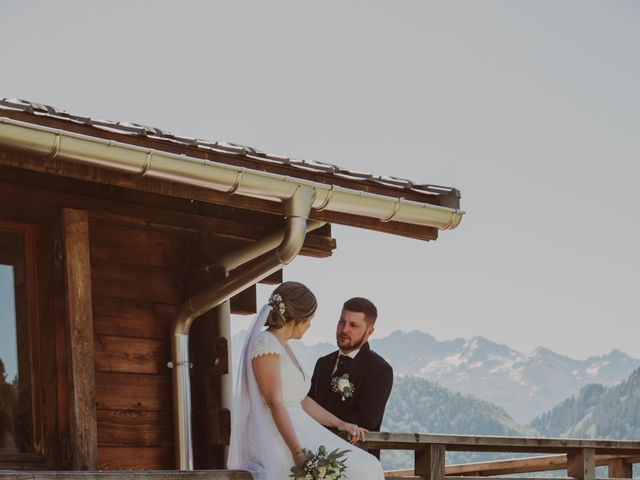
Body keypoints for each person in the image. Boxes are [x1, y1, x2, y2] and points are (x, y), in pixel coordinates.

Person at [228, 282, 385, 480]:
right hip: (277, 435)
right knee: (359, 471)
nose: (310, 325)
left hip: (301, 429)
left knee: (368, 466)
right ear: (298, 318)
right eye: (310, 319)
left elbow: (300, 399)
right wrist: (298, 452)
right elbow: (275, 402)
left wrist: (340, 423)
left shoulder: (284, 346)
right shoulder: (265, 344)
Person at [308, 297, 393, 458]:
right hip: (313, 453)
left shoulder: (380, 369)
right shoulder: (323, 363)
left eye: (353, 325)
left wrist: (325, 425)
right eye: (341, 322)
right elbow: (309, 404)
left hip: (356, 457)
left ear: (369, 332)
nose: (344, 329)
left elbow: (365, 420)